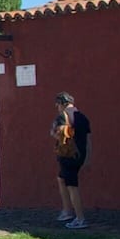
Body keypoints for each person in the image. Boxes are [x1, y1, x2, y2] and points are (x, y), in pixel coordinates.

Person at [52, 92, 91, 229]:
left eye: (58, 104)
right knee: (61, 178)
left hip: (68, 155)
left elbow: (56, 134)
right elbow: (88, 141)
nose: (57, 107)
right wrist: (87, 158)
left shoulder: (62, 117)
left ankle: (80, 218)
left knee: (72, 187)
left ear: (62, 103)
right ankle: (67, 211)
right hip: (80, 155)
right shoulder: (83, 117)